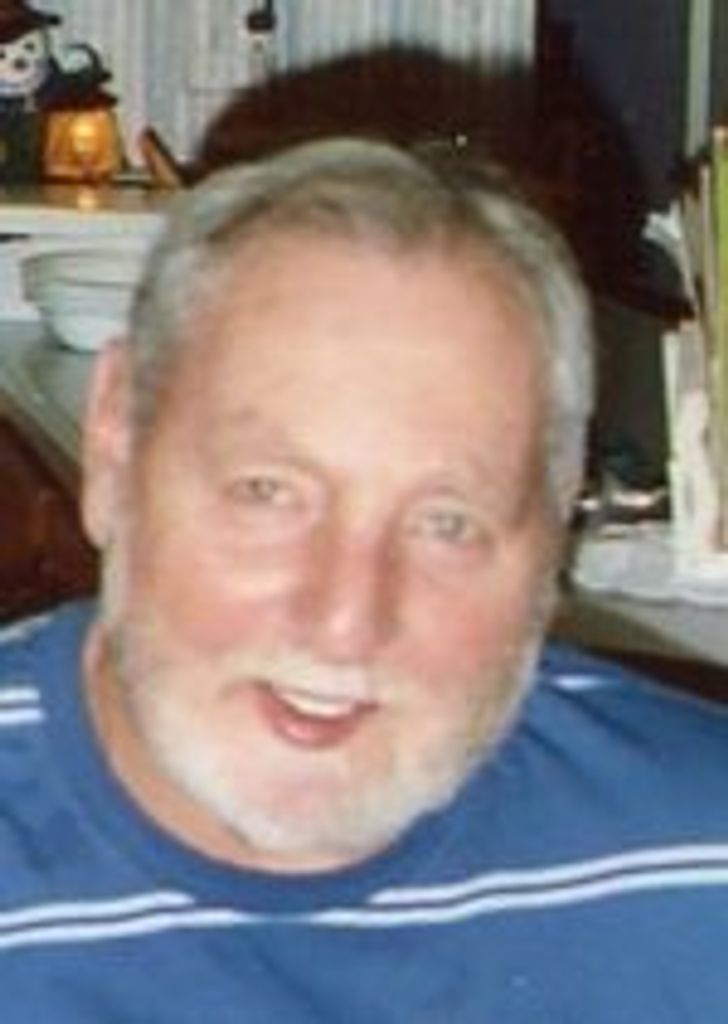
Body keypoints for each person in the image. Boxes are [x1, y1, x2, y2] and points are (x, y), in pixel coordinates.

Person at [1, 137, 728, 1023]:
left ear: (554, 528)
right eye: (268, 493)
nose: (345, 622)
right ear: (115, 451)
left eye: (445, 524)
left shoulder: (704, 876)